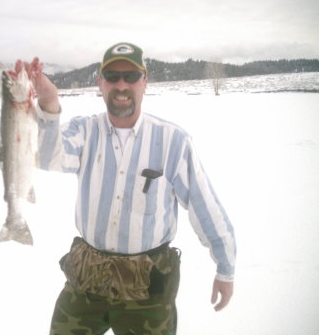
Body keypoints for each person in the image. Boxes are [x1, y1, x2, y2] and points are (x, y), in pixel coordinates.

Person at [14, 42, 236, 335]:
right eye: (112, 76)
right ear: (100, 83)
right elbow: (48, 155)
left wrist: (225, 267)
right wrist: (49, 102)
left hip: (147, 287)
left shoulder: (172, 141)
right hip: (87, 279)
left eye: (131, 76)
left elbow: (204, 206)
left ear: (145, 82)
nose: (121, 84)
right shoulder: (84, 131)